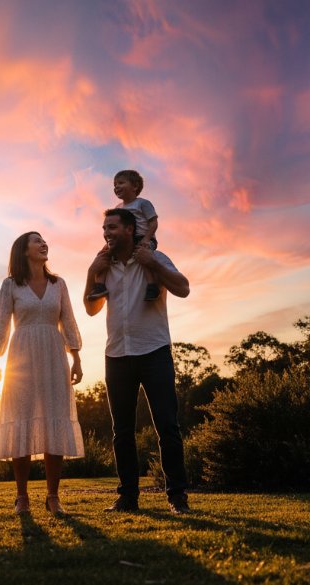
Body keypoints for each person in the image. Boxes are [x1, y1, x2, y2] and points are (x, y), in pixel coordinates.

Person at [84, 208, 191, 515]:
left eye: (113, 227)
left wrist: (153, 262)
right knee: (122, 431)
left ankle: (177, 497)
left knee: (167, 427)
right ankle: (127, 497)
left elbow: (183, 288)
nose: (107, 232)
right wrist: (92, 272)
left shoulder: (154, 258)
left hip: (154, 351)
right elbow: (90, 308)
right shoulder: (103, 265)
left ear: (130, 229)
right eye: (104, 227)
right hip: (116, 355)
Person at [0, 231, 85, 515]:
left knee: (55, 419)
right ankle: (22, 497)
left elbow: (68, 320)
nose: (44, 243)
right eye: (36, 240)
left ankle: (53, 496)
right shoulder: (11, 285)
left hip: (54, 356)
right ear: (23, 250)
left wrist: (76, 357)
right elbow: (1, 322)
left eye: (44, 240)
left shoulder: (59, 284)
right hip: (21, 356)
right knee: (22, 420)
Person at [87, 170, 161, 302]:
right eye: (115, 185)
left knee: (142, 255)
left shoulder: (143, 203)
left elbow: (153, 223)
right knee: (103, 254)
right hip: (125, 239)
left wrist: (146, 238)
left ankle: (152, 286)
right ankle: (100, 285)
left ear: (135, 186)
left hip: (142, 237)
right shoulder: (118, 208)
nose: (116, 187)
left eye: (121, 183)